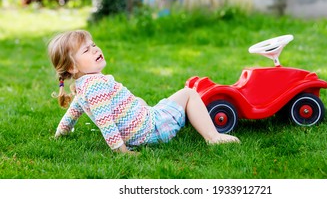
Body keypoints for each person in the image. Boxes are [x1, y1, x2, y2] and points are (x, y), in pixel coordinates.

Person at [48, 30, 240, 154]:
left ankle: (190, 120)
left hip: (137, 130)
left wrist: (60, 134)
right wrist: (122, 151)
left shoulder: (83, 87)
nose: (95, 50)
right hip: (150, 129)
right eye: (86, 50)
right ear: (73, 67)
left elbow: (72, 113)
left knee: (139, 101)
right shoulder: (96, 85)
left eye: (94, 45)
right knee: (189, 93)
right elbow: (105, 122)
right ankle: (213, 137)